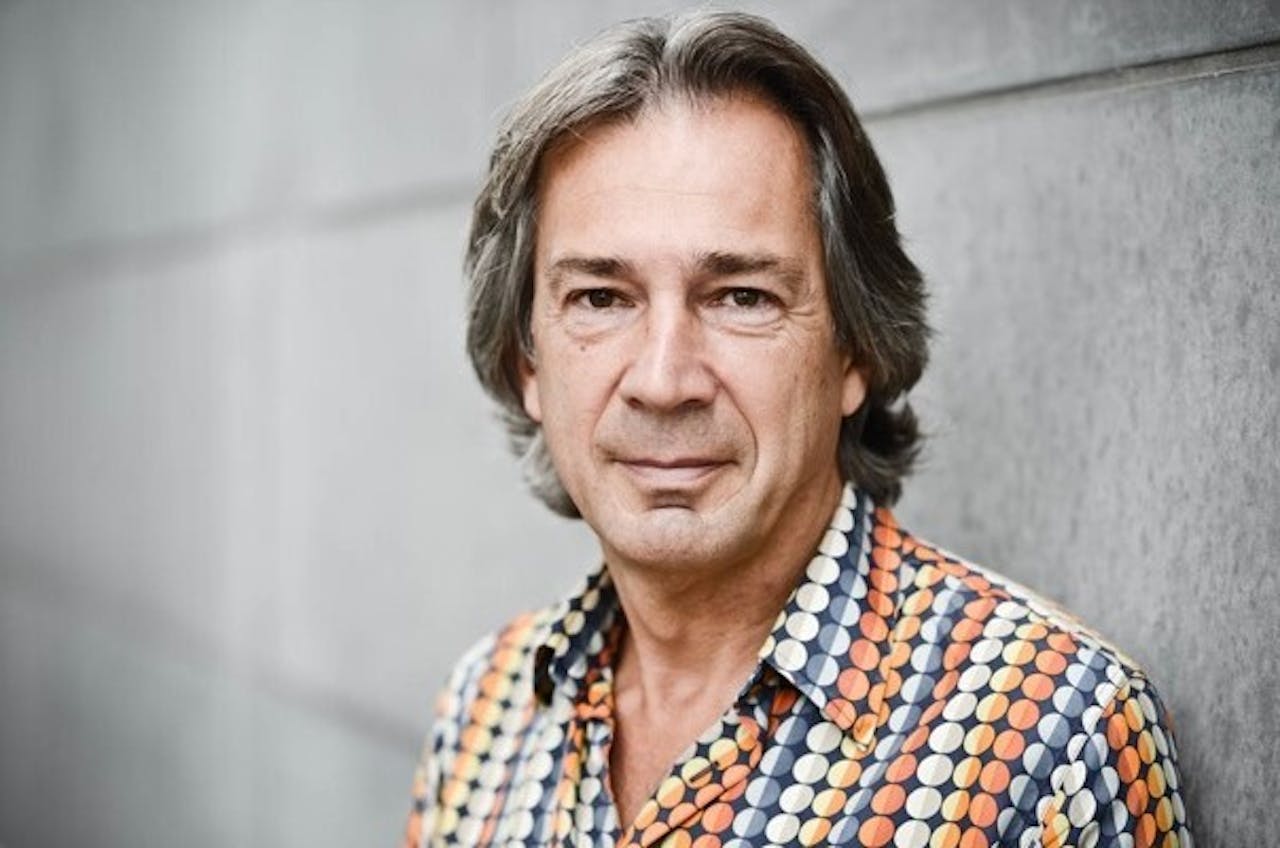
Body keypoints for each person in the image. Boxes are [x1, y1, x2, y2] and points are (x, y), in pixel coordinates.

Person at [405, 11, 1191, 847]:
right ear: (526, 361)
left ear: (856, 349)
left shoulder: (1055, 737)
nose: (664, 382)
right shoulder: (488, 707)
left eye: (742, 297)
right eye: (600, 298)